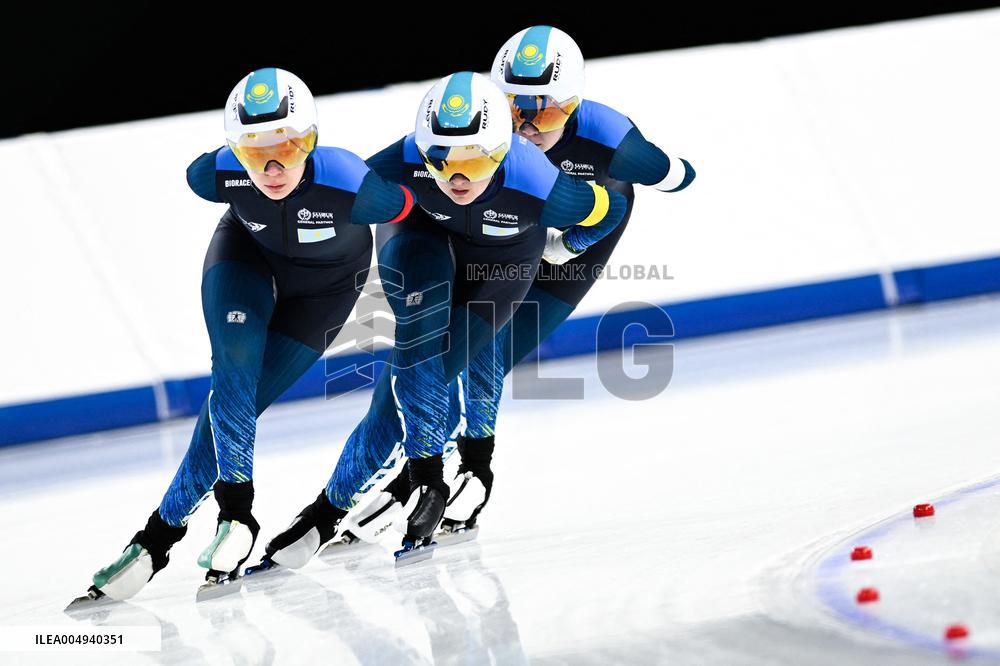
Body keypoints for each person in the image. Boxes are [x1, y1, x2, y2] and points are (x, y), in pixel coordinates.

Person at [254, 72, 628, 568]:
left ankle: (463, 470)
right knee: (411, 363)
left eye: (474, 161)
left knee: (456, 363)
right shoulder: (405, 159)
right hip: (425, 240)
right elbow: (332, 200)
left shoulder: (541, 180)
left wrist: (567, 247)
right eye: (442, 160)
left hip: (507, 258)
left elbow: (611, 209)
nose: (457, 177)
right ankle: (340, 504)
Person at [76, 67, 414, 604]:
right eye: (255, 152)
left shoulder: (351, 183)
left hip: (324, 293)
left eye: (290, 146)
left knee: (241, 404)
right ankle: (237, 515)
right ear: (236, 150)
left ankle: (158, 535)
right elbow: (201, 169)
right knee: (232, 371)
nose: (274, 166)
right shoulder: (214, 175)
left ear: (313, 141)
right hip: (245, 260)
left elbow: (412, 199)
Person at [438, 25, 697, 534]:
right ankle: (420, 465)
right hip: (514, 231)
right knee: (455, 349)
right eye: (515, 111)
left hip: (581, 239)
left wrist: (572, 244)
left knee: (495, 350)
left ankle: (465, 465)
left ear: (574, 104)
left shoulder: (613, 139)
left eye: (545, 112)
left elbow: (677, 176)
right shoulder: (485, 129)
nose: (528, 127)